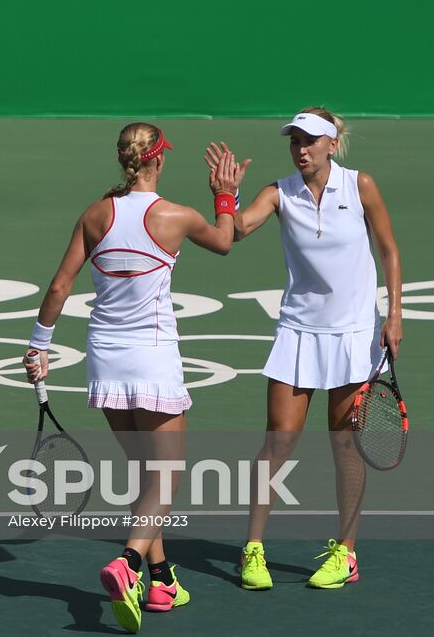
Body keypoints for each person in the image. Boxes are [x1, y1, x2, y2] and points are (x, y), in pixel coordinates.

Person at [25, 122, 244, 634]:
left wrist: (39, 346)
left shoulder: (96, 213)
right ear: (159, 160)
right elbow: (226, 242)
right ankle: (126, 563)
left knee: (148, 475)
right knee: (166, 478)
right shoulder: (177, 216)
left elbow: (60, 287)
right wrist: (226, 196)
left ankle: (162, 578)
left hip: (104, 360)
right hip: (152, 358)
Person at [206, 107, 403, 591]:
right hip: (298, 332)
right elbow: (233, 235)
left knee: (345, 447)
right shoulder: (278, 192)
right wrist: (225, 197)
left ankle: (346, 553)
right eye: (295, 140)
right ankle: (253, 550)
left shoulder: (361, 186)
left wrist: (394, 314)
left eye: (311, 140)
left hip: (353, 333)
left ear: (332, 143)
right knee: (278, 441)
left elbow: (389, 250)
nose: (301, 149)